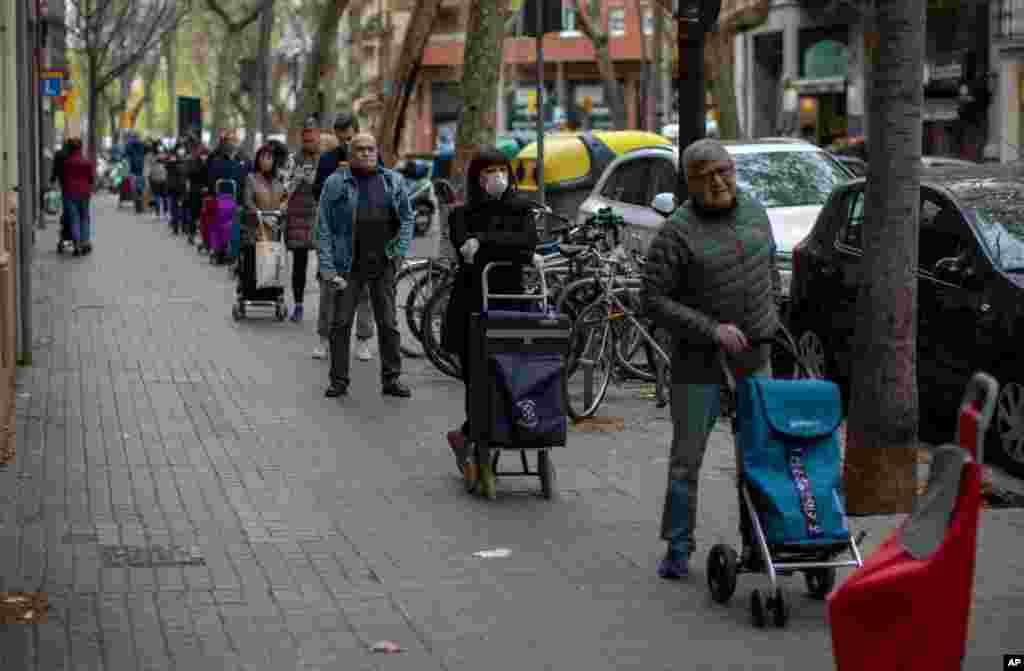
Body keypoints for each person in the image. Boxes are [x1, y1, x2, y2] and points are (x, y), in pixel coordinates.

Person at [643, 138, 781, 580]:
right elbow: (653, 298)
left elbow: (769, 271)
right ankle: (678, 547)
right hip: (698, 364)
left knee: (758, 458)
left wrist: (770, 318)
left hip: (755, 357)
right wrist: (711, 330)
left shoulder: (756, 212)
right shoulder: (677, 232)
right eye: (706, 176)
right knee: (687, 459)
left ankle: (757, 544)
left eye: (724, 171)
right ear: (690, 183)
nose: (719, 181)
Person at [441, 146, 543, 482]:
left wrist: (483, 240)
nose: (495, 178)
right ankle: (475, 440)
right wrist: (500, 245)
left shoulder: (521, 208)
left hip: (511, 303)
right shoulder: (461, 214)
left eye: (500, 170)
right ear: (476, 177)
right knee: (478, 380)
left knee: (509, 376)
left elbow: (527, 241)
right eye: (487, 172)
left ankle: (473, 436)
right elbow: (466, 246)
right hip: (471, 306)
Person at [318, 133, 414, 399]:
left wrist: (398, 251)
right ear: (350, 154)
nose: (366, 154)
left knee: (388, 324)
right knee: (341, 324)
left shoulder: (392, 180)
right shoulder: (335, 183)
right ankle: (339, 381)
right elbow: (323, 226)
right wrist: (328, 269)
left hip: (383, 263)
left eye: (371, 149)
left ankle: (392, 379)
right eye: (359, 150)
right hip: (347, 265)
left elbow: (407, 218)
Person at [312, 113, 374, 362]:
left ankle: (362, 340)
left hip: (364, 233)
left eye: (349, 138)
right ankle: (324, 339)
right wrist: (335, 180)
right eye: (341, 140)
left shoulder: (369, 157)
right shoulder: (329, 159)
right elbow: (317, 192)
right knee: (330, 289)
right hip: (336, 234)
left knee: (364, 291)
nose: (346, 145)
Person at [283, 117, 321, 322]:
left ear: (318, 135)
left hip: (319, 214)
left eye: (312, 135)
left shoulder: (325, 158)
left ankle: (328, 304)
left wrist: (314, 179)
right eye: (305, 136)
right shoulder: (293, 159)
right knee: (299, 262)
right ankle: (298, 305)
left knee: (325, 261)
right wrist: (296, 180)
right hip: (298, 215)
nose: (309, 139)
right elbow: (284, 188)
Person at [59, 137, 97, 255]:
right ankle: (85, 242)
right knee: (85, 217)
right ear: (81, 148)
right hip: (84, 193)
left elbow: (63, 179)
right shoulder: (86, 162)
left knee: (74, 218)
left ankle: (77, 244)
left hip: (70, 193)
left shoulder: (66, 163)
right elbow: (91, 179)